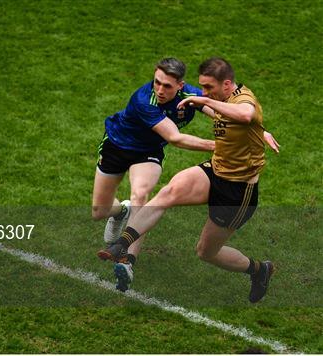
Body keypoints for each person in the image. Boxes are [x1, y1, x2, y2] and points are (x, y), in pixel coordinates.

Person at [97, 57, 279, 303]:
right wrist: (260, 130)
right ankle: (122, 247)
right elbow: (245, 121)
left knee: (206, 252)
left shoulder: (243, 99)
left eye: (208, 88)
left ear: (226, 85)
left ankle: (259, 270)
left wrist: (204, 101)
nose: (203, 92)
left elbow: (247, 114)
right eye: (202, 88)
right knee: (168, 192)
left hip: (237, 190)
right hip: (215, 170)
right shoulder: (221, 99)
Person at [92, 58, 216, 292]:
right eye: (157, 82)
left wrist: (249, 126)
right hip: (116, 147)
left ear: (181, 85)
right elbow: (175, 138)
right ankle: (122, 212)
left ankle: (127, 261)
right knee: (99, 211)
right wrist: (221, 147)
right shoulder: (144, 100)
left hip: (147, 153)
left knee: (141, 194)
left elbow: (216, 107)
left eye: (167, 86)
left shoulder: (189, 95)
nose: (159, 90)